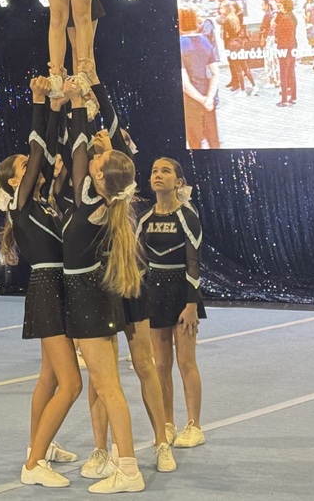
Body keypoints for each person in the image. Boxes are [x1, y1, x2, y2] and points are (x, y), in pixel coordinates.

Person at [58, 81, 148, 493]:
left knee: (109, 388)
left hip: (88, 299)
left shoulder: (92, 203)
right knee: (107, 386)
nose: (93, 158)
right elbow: (90, 157)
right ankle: (117, 458)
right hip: (94, 296)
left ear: (99, 178)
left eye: (99, 162)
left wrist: (78, 105)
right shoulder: (104, 204)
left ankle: (128, 470)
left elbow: (78, 153)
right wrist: (101, 134)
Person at [0, 77, 80, 489]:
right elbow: (37, 149)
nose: (33, 168)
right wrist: (37, 101)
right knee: (72, 383)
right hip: (47, 288)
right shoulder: (22, 203)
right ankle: (33, 464)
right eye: (24, 169)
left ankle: (39, 445)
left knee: (49, 378)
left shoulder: (43, 203)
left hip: (57, 286)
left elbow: (44, 154)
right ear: (15, 182)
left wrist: (58, 108)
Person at [141, 158, 206, 450]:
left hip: (182, 293)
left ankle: (194, 425)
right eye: (154, 171)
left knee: (185, 361)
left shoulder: (187, 216)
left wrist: (191, 305)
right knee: (161, 364)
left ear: (178, 182)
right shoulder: (145, 218)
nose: (158, 175)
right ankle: (167, 422)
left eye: (165, 171)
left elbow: (194, 263)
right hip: (155, 294)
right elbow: (139, 260)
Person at [179, 8, 220, 149]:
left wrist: (202, 99)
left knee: (195, 145)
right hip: (208, 98)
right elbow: (215, 73)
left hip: (190, 102)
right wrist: (209, 98)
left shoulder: (179, 45)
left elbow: (185, 83)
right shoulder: (205, 41)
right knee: (213, 142)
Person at [274, 0, 299, 107]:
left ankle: (284, 99)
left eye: (281, 6)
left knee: (283, 73)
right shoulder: (293, 17)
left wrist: (279, 15)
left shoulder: (284, 19)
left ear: (284, 6)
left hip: (284, 46)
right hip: (292, 45)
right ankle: (293, 97)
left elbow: (277, 32)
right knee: (291, 72)